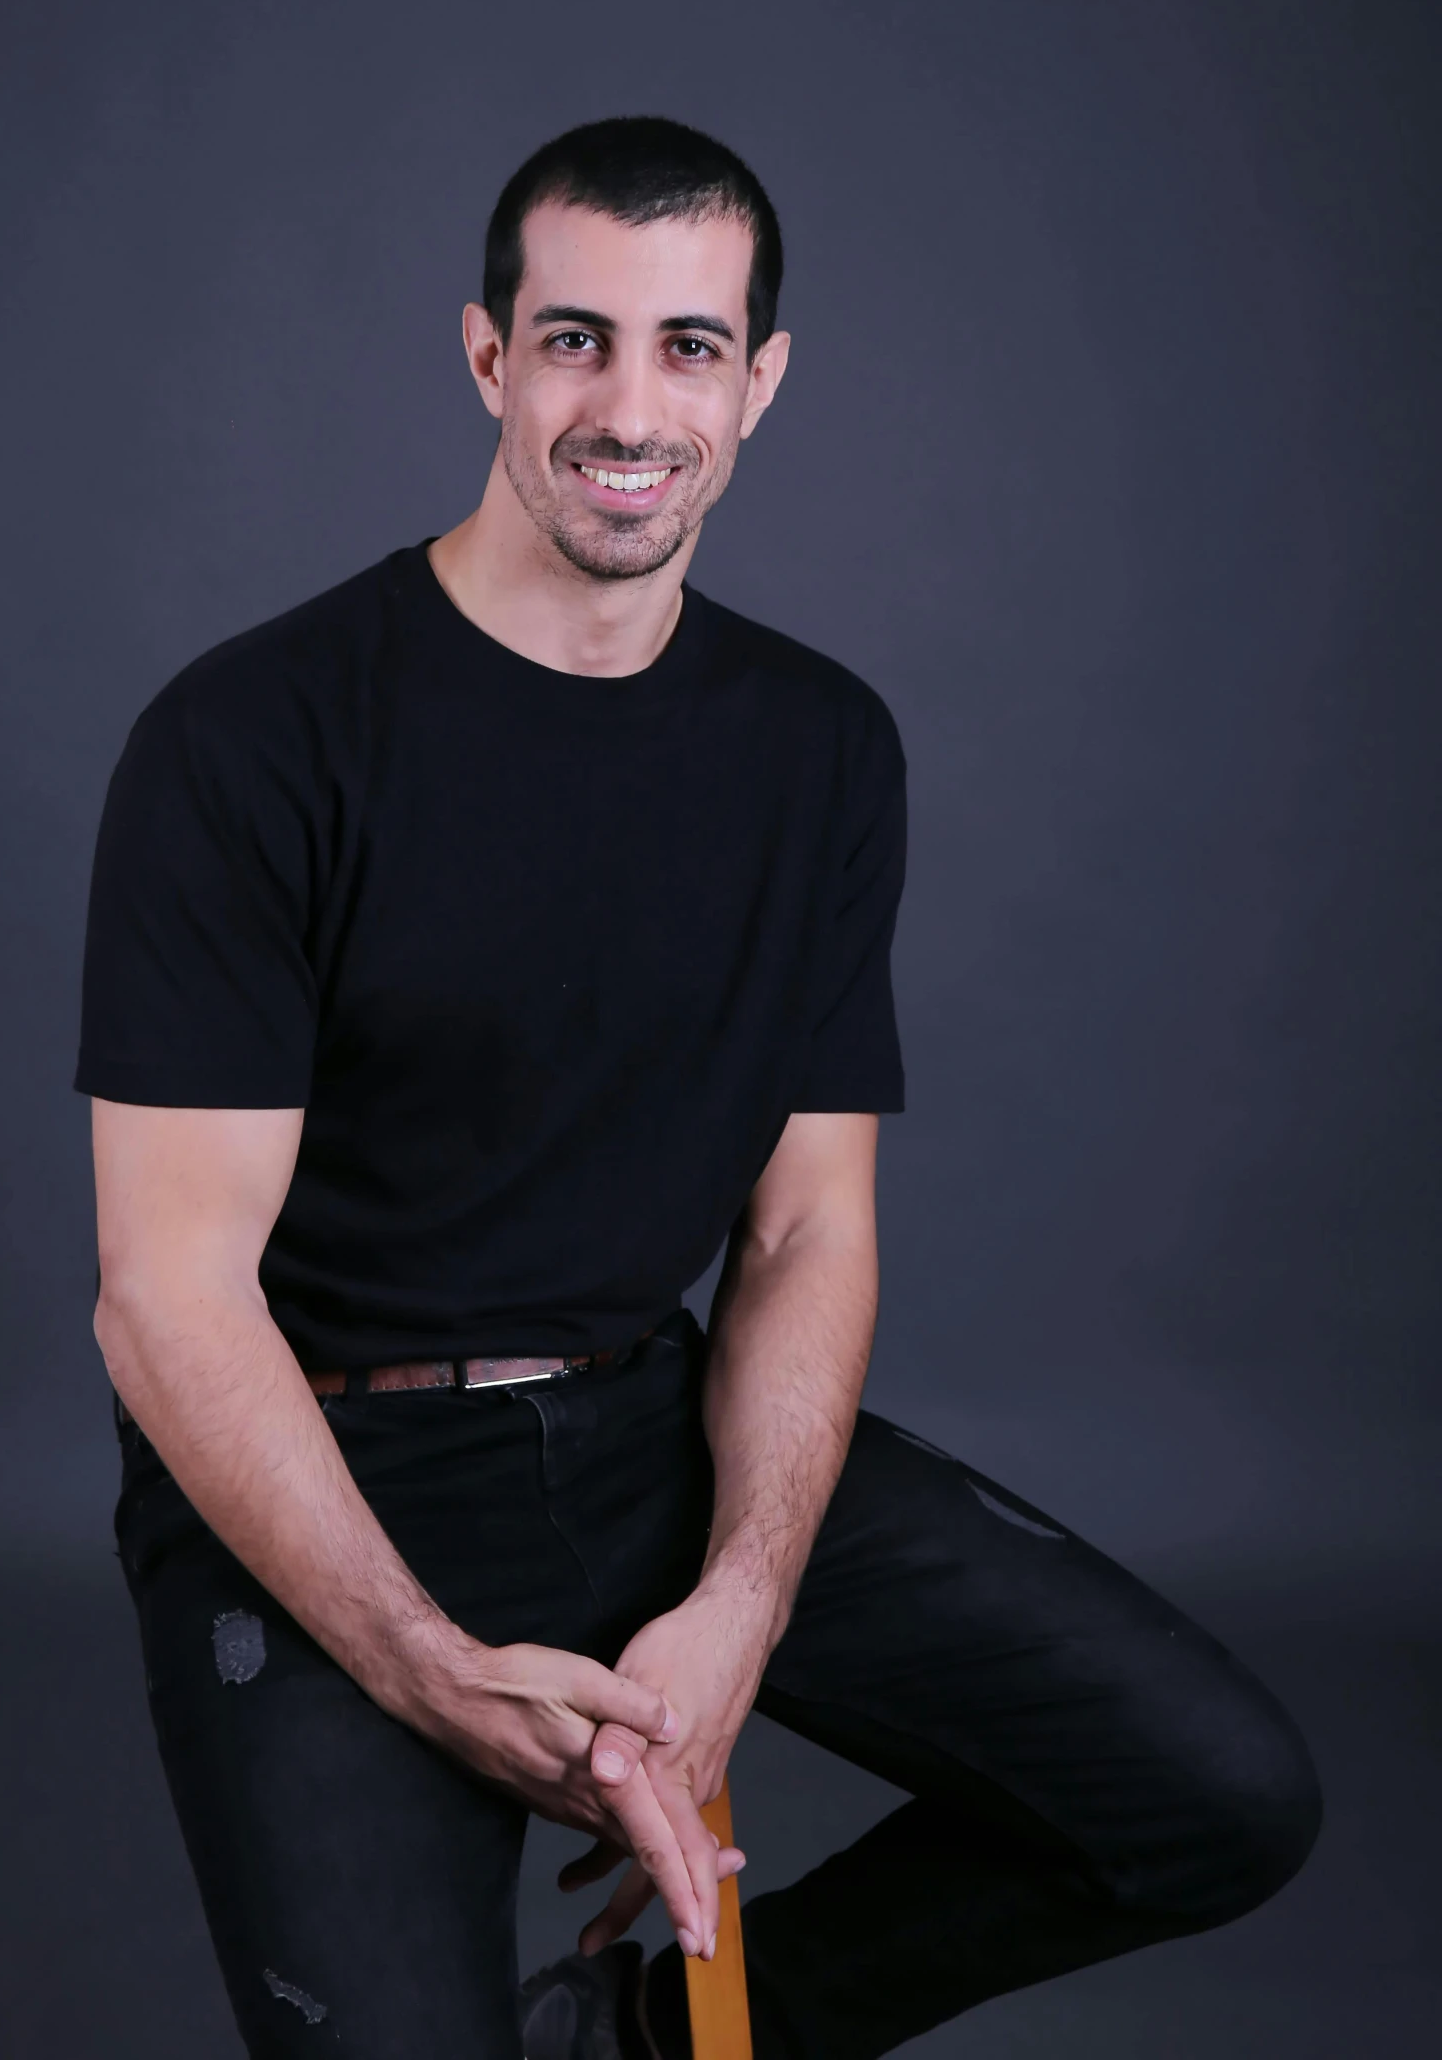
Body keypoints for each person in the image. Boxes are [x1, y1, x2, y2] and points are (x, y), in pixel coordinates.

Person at [76, 116, 1320, 2060]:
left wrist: (742, 1592)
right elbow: (166, 1293)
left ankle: (647, 2044)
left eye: (688, 345)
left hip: (652, 1438)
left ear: (765, 379)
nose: (630, 404)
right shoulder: (253, 737)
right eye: (576, 340)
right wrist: (423, 1663)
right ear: (489, 356)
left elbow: (813, 1220)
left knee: (1220, 1790)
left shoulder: (823, 748)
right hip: (330, 1471)